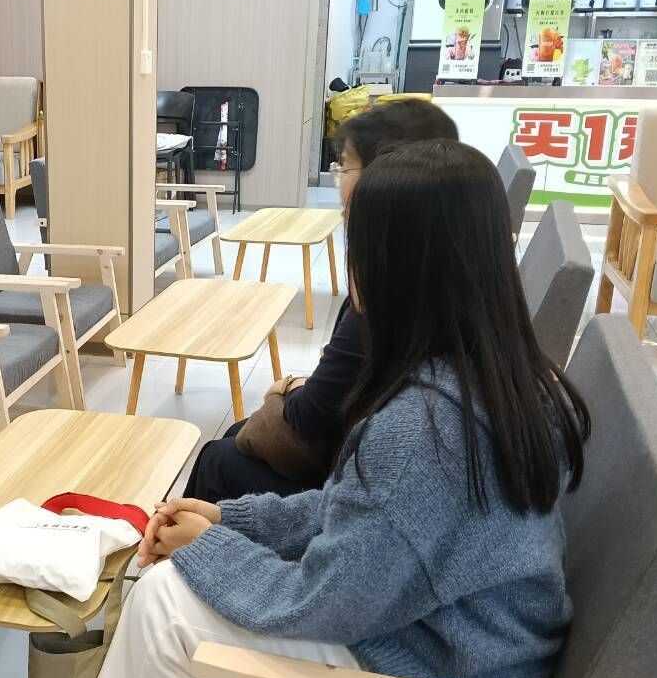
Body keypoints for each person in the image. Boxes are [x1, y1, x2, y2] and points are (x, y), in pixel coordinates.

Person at [59, 140, 591, 678]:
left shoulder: (423, 428)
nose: (352, 264)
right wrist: (233, 518)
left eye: (359, 241)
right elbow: (360, 514)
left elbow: (324, 602)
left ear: (403, 263)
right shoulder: (503, 374)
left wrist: (210, 550)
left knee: (162, 601)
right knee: (185, 576)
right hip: (482, 652)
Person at [183, 99, 459, 503]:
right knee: (234, 439)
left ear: (387, 178)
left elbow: (311, 416)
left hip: (353, 474)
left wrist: (284, 387)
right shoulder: (447, 274)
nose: (339, 183)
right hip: (369, 461)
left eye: (345, 167)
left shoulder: (384, 299)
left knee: (219, 459)